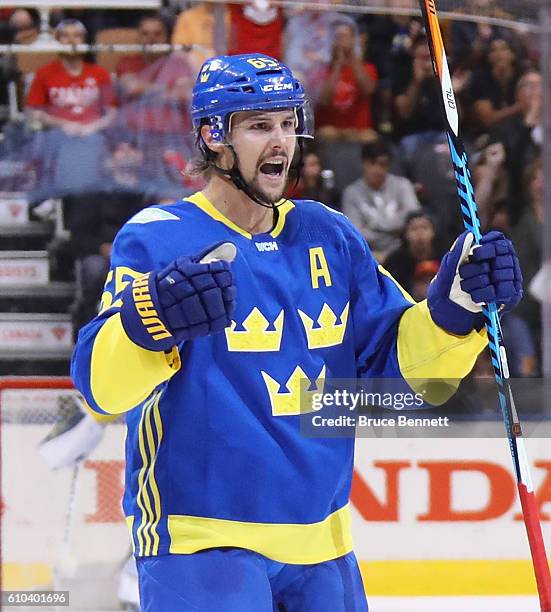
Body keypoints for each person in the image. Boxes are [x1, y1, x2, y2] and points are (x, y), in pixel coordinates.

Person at [71, 53, 522, 611]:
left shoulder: (328, 234)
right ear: (214, 135)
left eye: (288, 123)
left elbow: (398, 375)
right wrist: (147, 325)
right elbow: (98, 386)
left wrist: (454, 312)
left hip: (323, 542)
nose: (282, 141)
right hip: (200, 543)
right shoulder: (158, 238)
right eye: (260, 125)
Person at [25, 19, 117, 199]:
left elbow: (113, 112)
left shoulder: (100, 73)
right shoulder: (45, 73)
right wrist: (63, 124)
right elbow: (33, 111)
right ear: (57, 40)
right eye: (65, 36)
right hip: (57, 134)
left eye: (77, 36)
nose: (72, 41)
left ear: (84, 40)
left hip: (93, 134)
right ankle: (52, 198)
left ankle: (90, 197)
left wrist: (92, 127)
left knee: (97, 144)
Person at [341, 138, 420, 260]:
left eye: (383, 164)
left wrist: (374, 225)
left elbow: (413, 218)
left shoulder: (403, 185)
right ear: (363, 163)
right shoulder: (351, 193)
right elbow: (355, 232)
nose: (377, 170)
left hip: (402, 252)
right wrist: (393, 231)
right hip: (368, 254)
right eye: (373, 163)